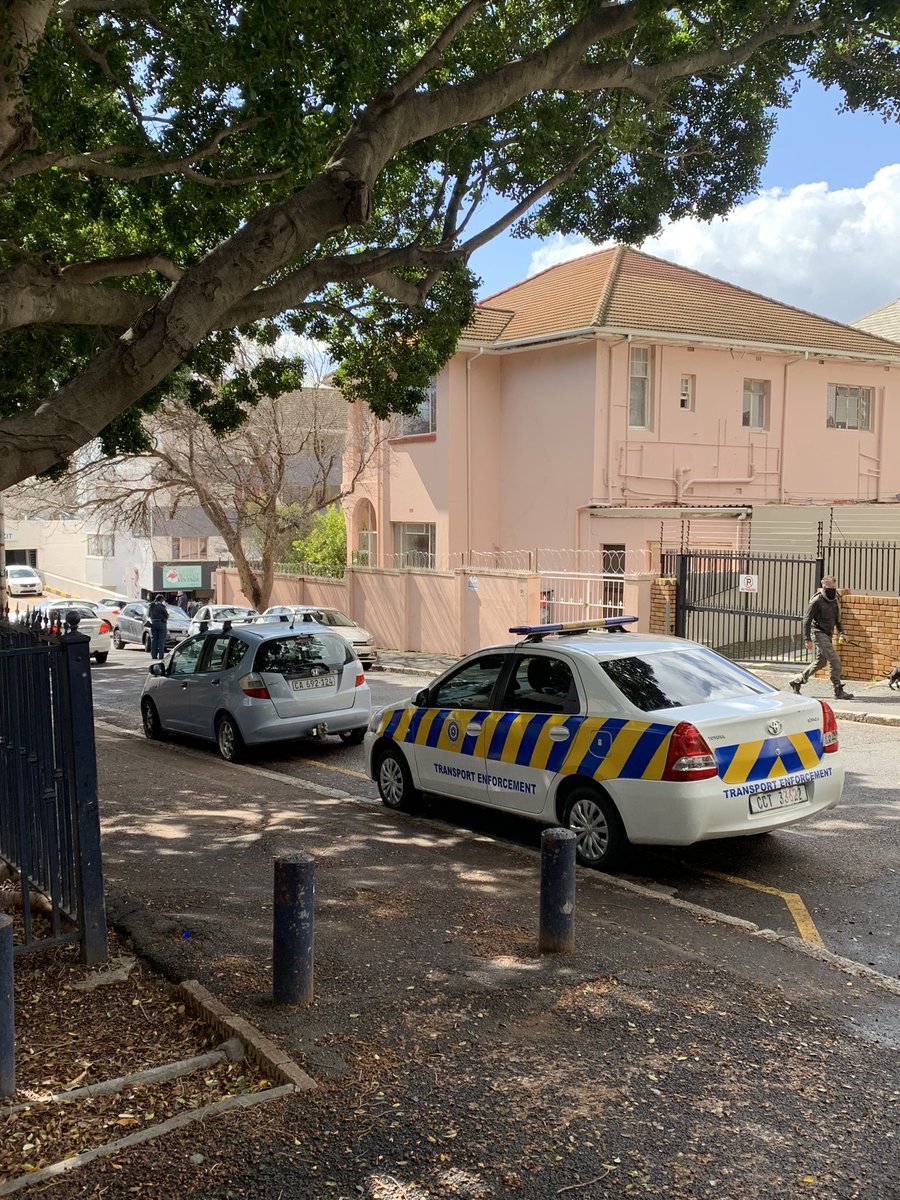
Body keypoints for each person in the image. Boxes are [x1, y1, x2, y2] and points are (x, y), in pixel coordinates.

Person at [790, 576, 854, 700]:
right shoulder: (817, 601)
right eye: (830, 587)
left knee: (821, 662)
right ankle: (837, 689)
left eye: (834, 587)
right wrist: (807, 639)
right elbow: (806, 620)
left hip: (828, 634)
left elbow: (838, 619)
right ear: (824, 586)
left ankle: (797, 681)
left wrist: (842, 633)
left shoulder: (836, 599)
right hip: (818, 633)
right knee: (834, 659)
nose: (833, 590)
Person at [147, 593, 169, 661]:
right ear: (161, 599)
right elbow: (167, 615)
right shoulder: (162, 606)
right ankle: (161, 656)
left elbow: (148, 615)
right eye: (163, 599)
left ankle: (154, 655)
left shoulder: (151, 606)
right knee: (161, 640)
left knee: (154, 640)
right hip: (161, 624)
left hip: (153, 623)